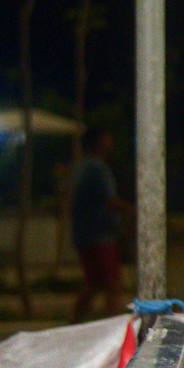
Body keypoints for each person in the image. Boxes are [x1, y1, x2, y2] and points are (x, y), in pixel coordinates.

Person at [71, 124, 133, 322]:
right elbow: (109, 200)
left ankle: (74, 323)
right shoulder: (97, 167)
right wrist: (136, 210)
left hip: (86, 234)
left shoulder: (82, 167)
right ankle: (114, 329)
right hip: (99, 235)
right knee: (112, 284)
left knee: (95, 283)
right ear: (99, 142)